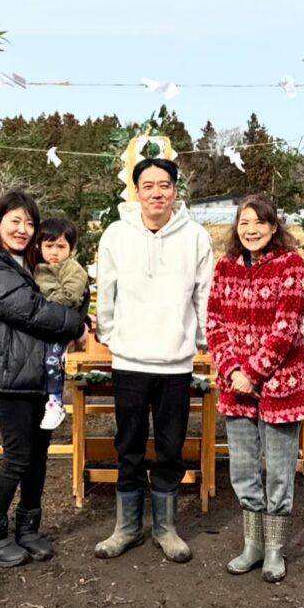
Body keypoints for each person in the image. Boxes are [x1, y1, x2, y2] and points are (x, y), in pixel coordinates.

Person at [0, 191, 86, 568]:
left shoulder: (25, 262)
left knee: (38, 457)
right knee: (16, 457)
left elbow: (60, 295)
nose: (23, 230)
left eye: (29, 223)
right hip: (9, 370)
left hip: (36, 371)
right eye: (15, 221)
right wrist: (75, 323)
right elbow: (25, 309)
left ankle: (28, 528)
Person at [94, 157, 213, 563]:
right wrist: (111, 338)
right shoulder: (115, 235)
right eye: (148, 186)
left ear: (175, 191)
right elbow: (104, 291)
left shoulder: (195, 236)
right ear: (136, 191)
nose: (157, 193)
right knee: (127, 444)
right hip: (128, 361)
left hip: (175, 363)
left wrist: (198, 342)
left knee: (169, 445)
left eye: (165, 185)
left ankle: (165, 527)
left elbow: (204, 293)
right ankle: (126, 527)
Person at [205, 194, 304, 582]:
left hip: (280, 384)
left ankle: (275, 549)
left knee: (279, 470)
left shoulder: (291, 265)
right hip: (234, 386)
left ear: (273, 225)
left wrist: (253, 371)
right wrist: (233, 370)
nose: (251, 230)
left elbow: (287, 326)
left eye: (259, 223)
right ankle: (251, 544)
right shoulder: (226, 266)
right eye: (244, 223)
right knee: (244, 467)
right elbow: (214, 323)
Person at [33, 217, 89, 430]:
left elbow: (70, 296)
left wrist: (41, 304)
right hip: (44, 324)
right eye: (49, 246)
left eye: (61, 246)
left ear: (71, 248)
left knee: (52, 357)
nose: (54, 252)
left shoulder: (73, 269)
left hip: (63, 324)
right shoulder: (36, 267)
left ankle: (55, 400)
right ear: (39, 246)